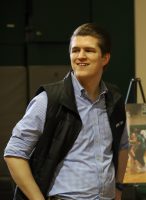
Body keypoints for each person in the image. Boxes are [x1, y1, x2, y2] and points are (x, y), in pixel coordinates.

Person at [4, 23, 129, 200]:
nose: (80, 56)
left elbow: (122, 147)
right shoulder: (48, 100)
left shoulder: (114, 100)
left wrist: (118, 190)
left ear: (105, 58)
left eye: (89, 50)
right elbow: (14, 153)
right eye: (75, 50)